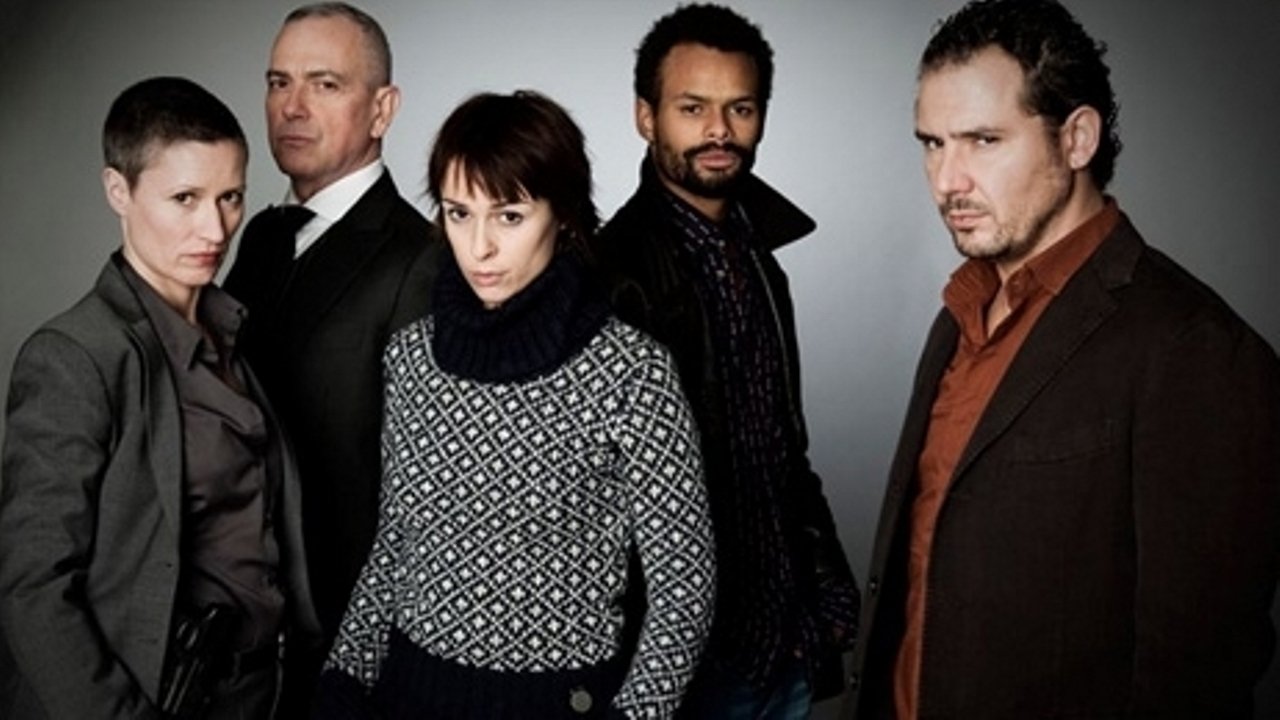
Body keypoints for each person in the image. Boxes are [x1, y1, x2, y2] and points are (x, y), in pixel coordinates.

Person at [848, 1, 1280, 717]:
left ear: (1077, 138)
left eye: (983, 140)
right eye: (932, 144)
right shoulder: (958, 315)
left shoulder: (1194, 349)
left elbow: (1199, 672)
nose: (947, 180)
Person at [314, 90, 715, 719]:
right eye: (458, 213)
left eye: (509, 216)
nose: (479, 246)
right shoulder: (411, 358)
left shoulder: (633, 372)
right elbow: (394, 544)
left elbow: (684, 586)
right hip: (405, 699)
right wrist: (341, 682)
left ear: (563, 214)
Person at [0, 76, 319, 719]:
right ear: (118, 190)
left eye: (230, 197)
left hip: (265, 692)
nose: (215, 228)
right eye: (184, 198)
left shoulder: (234, 333)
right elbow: (33, 587)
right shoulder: (75, 357)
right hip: (154, 700)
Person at [592, 4, 860, 717]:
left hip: (787, 643)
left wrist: (828, 589)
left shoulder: (761, 260)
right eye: (693, 108)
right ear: (645, 117)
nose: (719, 131)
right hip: (683, 663)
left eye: (740, 108)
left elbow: (781, 442)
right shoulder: (610, 276)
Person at [221, 2, 442, 708]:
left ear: (383, 109)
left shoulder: (421, 260)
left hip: (350, 644)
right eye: (278, 82)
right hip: (247, 629)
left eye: (325, 84)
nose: (292, 107)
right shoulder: (258, 237)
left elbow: (422, 497)